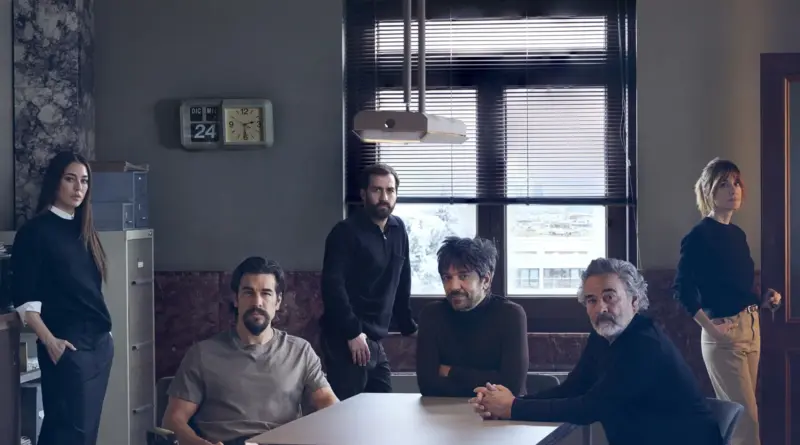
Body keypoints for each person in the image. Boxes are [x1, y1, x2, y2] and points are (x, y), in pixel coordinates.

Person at [470, 258, 723, 445]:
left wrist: (512, 407)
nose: (600, 308)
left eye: (609, 297)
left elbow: (590, 407)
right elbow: (572, 389)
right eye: (591, 300)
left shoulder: (645, 345)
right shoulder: (604, 335)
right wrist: (509, 403)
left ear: (635, 301)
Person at [163, 257, 338, 445]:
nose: (257, 302)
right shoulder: (202, 354)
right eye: (248, 293)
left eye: (266, 293)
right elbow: (173, 420)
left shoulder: (300, 352)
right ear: (235, 299)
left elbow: (327, 401)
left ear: (278, 301)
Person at [673, 158, 781, 445]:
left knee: (742, 421)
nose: (733, 189)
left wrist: (764, 299)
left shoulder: (737, 234)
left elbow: (734, 287)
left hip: (751, 329)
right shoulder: (698, 236)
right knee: (746, 422)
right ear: (708, 191)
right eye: (723, 184)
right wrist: (711, 328)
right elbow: (682, 289)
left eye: (736, 183)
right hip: (724, 336)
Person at [11, 151, 114, 445]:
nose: (78, 188)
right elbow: (24, 299)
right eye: (70, 179)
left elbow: (90, 291)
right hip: (67, 345)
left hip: (99, 345)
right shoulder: (35, 232)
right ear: (55, 182)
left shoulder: (84, 230)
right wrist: (50, 341)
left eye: (84, 181)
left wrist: (107, 337)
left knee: (86, 434)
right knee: (67, 432)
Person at [319, 163, 417, 400]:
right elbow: (332, 287)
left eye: (390, 190)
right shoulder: (345, 232)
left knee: (383, 406)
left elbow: (402, 281)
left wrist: (409, 327)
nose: (384, 197)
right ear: (363, 194)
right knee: (348, 412)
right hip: (345, 338)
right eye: (377, 190)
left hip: (374, 339)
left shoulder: (398, 229)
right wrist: (353, 332)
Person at [415, 236, 528, 397]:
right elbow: (427, 385)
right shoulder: (432, 314)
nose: (453, 287)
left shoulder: (510, 315)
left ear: (486, 280)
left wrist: (451, 372)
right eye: (447, 278)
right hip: (442, 410)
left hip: (498, 412)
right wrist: (490, 379)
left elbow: (511, 387)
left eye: (463, 276)